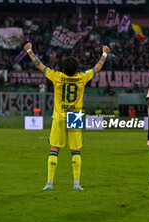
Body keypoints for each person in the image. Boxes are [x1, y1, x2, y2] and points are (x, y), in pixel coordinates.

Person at [24, 42, 110, 191]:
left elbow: (39, 65)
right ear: (76, 69)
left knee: (54, 148)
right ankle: (76, 183)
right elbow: (97, 68)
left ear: (63, 68)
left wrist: (29, 50)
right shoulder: (82, 78)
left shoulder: (57, 76)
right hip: (74, 116)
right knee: (75, 150)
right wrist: (105, 53)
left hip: (59, 116)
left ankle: (49, 183)